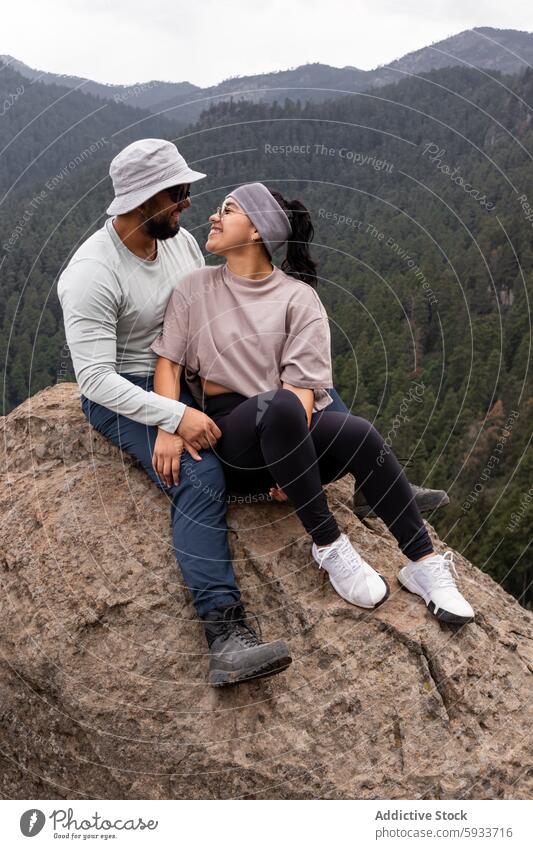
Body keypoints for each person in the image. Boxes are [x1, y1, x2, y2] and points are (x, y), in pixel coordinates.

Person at [149, 182, 476, 655]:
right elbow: (170, 365)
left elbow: (301, 391)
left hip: (285, 430)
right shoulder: (195, 288)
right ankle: (329, 545)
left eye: (226, 210)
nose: (212, 218)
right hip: (231, 438)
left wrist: (292, 461)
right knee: (277, 406)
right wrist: (168, 423)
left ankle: (423, 564)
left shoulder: (298, 299)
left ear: (258, 230)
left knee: (361, 433)